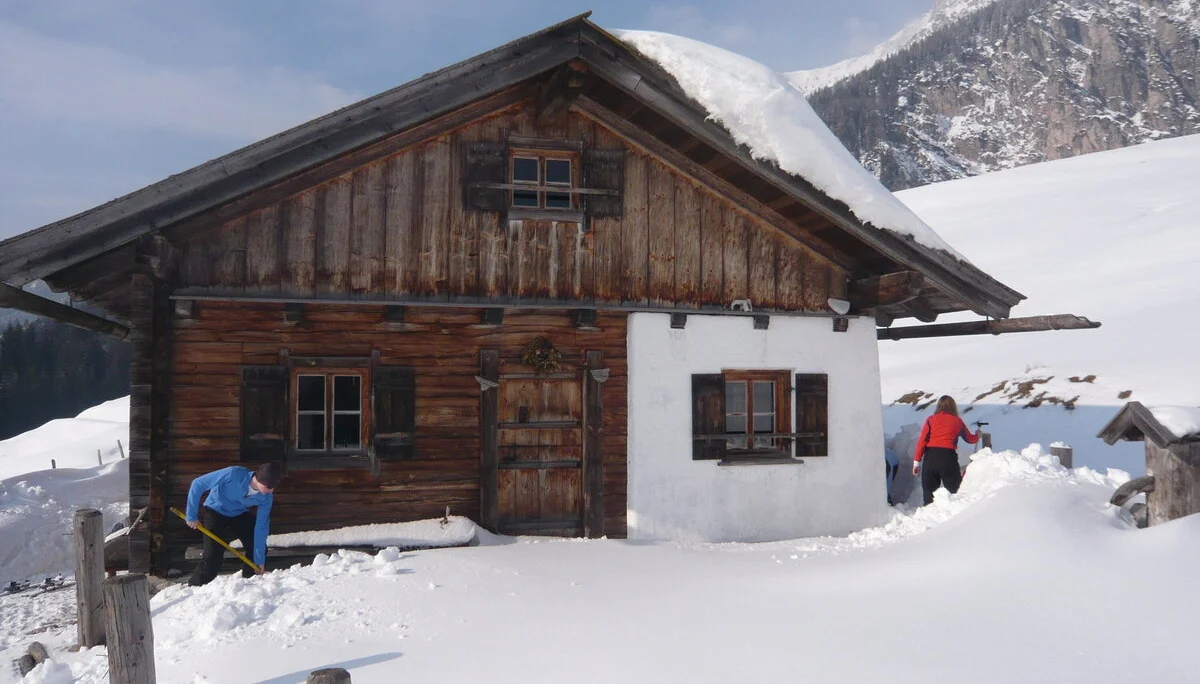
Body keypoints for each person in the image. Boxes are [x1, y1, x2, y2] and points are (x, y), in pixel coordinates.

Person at [185, 462, 282, 586]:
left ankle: (249, 583)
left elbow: (261, 527)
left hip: (239, 513)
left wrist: (259, 560)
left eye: (273, 486)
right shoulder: (233, 473)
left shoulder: (267, 497)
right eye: (268, 487)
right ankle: (196, 586)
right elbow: (198, 484)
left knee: (256, 547)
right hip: (215, 510)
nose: (271, 490)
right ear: (258, 480)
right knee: (213, 552)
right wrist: (191, 515)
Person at [912, 396, 978, 506]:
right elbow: (970, 439)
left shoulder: (930, 420)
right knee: (955, 493)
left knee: (929, 497)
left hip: (930, 458)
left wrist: (916, 462)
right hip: (948, 459)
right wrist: (977, 435)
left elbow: (922, 441)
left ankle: (928, 519)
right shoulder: (958, 422)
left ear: (938, 406)